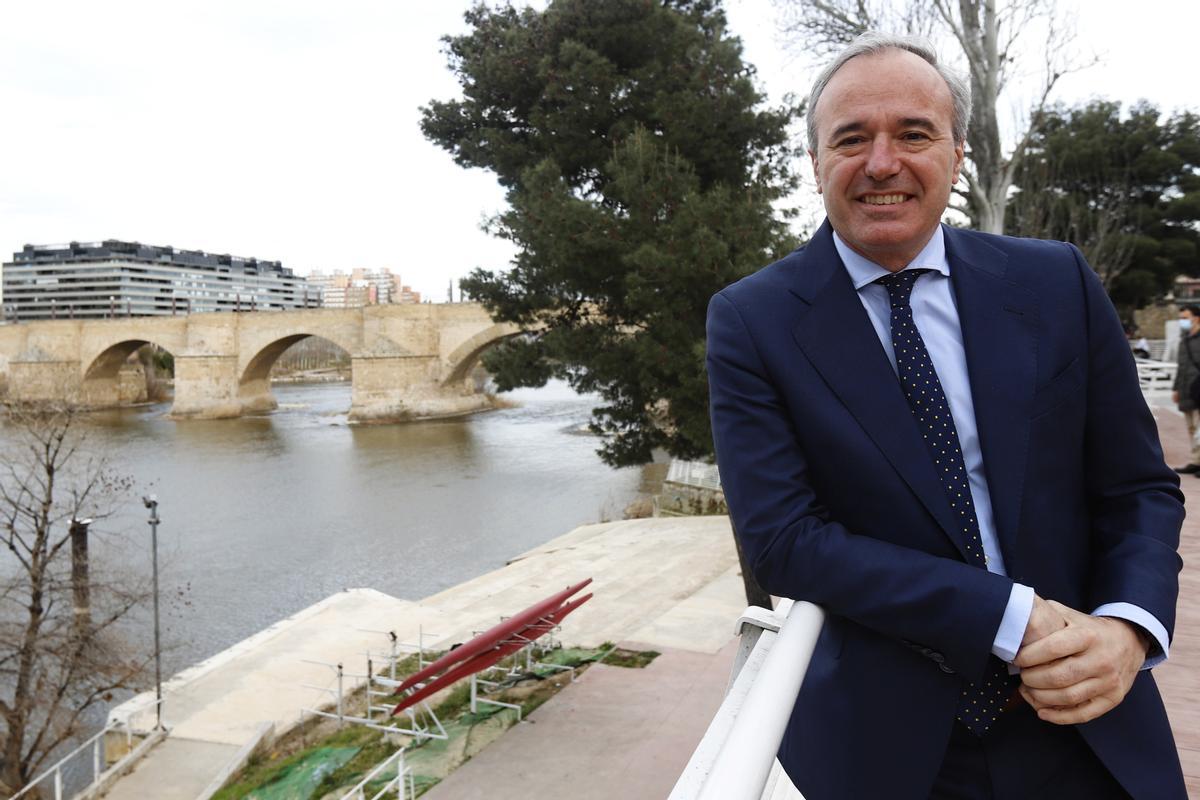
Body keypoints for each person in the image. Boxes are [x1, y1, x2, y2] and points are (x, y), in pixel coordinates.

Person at [706, 32, 1184, 800]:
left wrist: (1129, 628)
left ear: (958, 152)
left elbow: (1137, 489)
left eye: (914, 134)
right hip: (893, 746)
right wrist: (1008, 615)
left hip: (1090, 714)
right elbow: (783, 539)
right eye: (852, 139)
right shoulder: (753, 321)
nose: (882, 163)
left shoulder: (1055, 282)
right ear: (817, 162)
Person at [1172, 304, 1200, 473]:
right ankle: (1196, 460)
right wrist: (1176, 388)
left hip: (1198, 388)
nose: (1182, 321)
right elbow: (1181, 367)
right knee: (1191, 427)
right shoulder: (1184, 340)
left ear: (1196, 317)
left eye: (1185, 318)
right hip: (1186, 389)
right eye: (1181, 318)